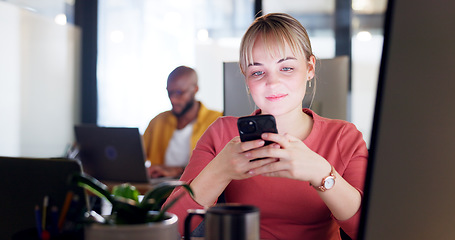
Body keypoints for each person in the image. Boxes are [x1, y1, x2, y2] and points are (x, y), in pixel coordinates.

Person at [165, 13, 368, 240]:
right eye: (258, 72)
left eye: (287, 68)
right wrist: (221, 169)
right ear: (246, 79)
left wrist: (321, 173)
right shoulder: (222, 134)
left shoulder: (344, 137)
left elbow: (371, 229)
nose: (272, 82)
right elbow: (168, 227)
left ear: (310, 68)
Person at [142, 66, 222, 178]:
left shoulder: (218, 120)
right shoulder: (157, 121)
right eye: (170, 92)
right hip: (159, 190)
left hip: (199, 189)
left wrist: (180, 170)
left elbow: (222, 163)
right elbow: (136, 158)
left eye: (180, 92)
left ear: (195, 89)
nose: (173, 99)